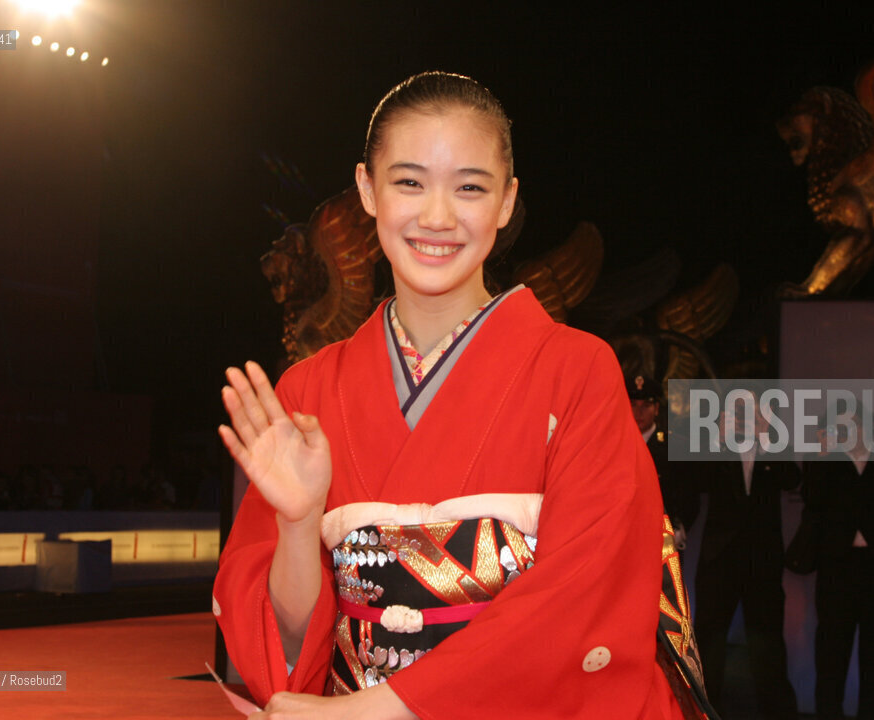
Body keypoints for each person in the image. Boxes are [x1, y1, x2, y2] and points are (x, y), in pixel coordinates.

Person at [212, 72, 685, 718]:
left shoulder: (578, 372)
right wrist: (298, 526)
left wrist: (381, 709)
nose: (437, 217)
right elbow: (286, 650)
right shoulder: (309, 389)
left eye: (470, 188)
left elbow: (586, 594)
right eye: (409, 183)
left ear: (507, 201)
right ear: (367, 190)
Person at [693, 396, 800, 719]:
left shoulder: (773, 446)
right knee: (709, 642)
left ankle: (776, 713)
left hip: (762, 561)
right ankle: (704, 711)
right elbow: (697, 481)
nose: (745, 418)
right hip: (719, 560)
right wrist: (718, 439)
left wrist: (767, 437)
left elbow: (793, 479)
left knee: (768, 643)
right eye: (739, 412)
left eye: (752, 412)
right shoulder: (715, 447)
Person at [802, 414, 874, 720]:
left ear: (866, 427)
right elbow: (812, 500)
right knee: (831, 649)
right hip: (837, 564)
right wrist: (822, 456)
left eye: (851, 425)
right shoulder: (825, 461)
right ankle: (828, 713)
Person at [627, 375, 698, 550]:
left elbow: (689, 494)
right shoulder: (615, 444)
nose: (639, 412)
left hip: (663, 536)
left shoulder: (675, 446)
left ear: (656, 409)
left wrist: (680, 529)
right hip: (624, 533)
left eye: (646, 405)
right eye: (633, 405)